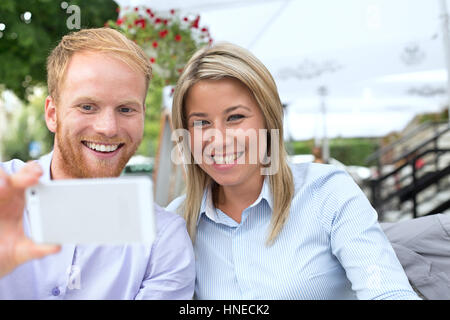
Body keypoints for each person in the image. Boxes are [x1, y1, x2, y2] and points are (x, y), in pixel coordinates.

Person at [166, 42, 420, 299]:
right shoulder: (176, 221)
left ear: (268, 119)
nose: (218, 139)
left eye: (235, 117)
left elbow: (386, 290)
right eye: (201, 123)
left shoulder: (328, 193)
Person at [0, 28, 195, 299]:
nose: (108, 128)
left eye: (126, 109)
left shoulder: (163, 241)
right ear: (52, 114)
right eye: (87, 107)